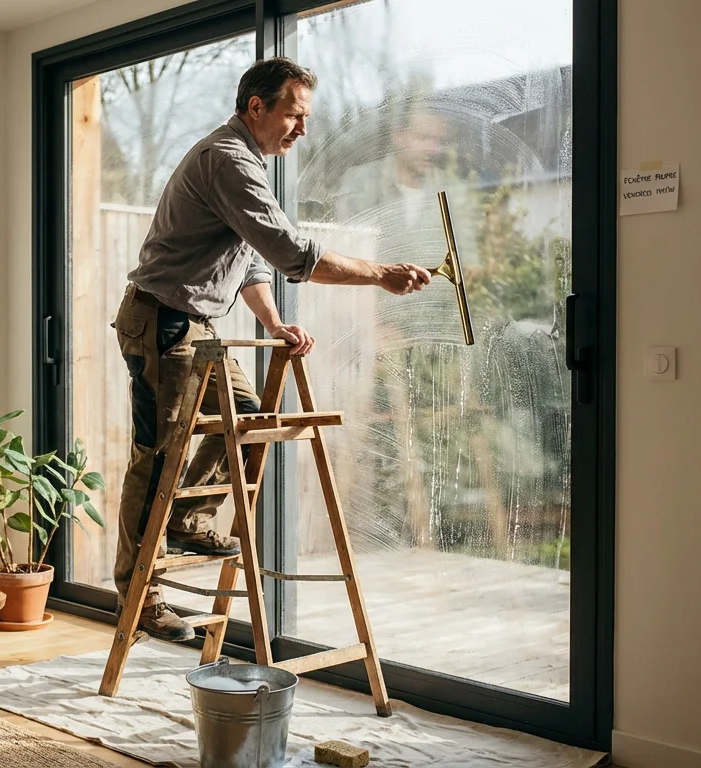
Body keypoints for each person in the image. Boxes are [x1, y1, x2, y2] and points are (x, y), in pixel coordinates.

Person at [112, 57, 433, 641]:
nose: (302, 129)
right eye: (295, 114)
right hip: (162, 323)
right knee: (157, 457)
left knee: (250, 416)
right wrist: (380, 273)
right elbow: (290, 252)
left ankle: (187, 518)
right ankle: (139, 595)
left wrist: (275, 323)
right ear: (256, 107)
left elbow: (252, 259)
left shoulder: (249, 164)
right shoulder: (228, 160)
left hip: (196, 325)